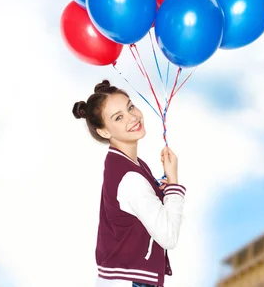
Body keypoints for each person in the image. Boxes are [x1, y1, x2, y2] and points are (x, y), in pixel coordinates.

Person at [73, 80, 186, 287]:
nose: (133, 117)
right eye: (119, 117)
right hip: (132, 281)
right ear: (104, 132)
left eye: (130, 106)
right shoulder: (131, 178)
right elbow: (169, 236)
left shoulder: (124, 163)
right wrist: (174, 184)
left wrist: (157, 193)